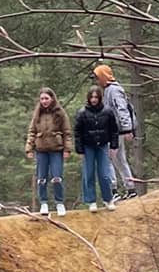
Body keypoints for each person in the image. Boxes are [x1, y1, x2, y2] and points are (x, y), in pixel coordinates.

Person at [94, 63, 139, 198]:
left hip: (116, 131)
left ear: (103, 76)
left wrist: (127, 129)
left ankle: (113, 191)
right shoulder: (109, 90)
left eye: (97, 77)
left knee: (107, 159)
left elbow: (122, 109)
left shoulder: (114, 90)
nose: (97, 81)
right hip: (115, 130)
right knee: (119, 159)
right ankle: (130, 189)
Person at [74, 82, 120, 213]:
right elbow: (77, 132)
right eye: (92, 97)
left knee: (105, 174)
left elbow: (114, 130)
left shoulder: (108, 112)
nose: (94, 100)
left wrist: (114, 146)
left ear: (100, 98)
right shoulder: (82, 113)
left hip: (103, 146)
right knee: (88, 174)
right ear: (88, 98)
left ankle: (108, 199)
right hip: (88, 147)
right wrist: (80, 150)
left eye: (96, 97)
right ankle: (91, 201)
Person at [25, 86, 70, 217]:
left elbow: (67, 132)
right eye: (42, 99)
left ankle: (59, 202)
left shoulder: (60, 113)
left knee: (57, 177)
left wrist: (67, 149)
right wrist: (29, 148)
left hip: (56, 149)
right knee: (41, 178)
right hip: (41, 150)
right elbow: (32, 132)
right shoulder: (37, 114)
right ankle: (43, 203)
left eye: (46, 98)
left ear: (52, 99)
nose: (44, 101)